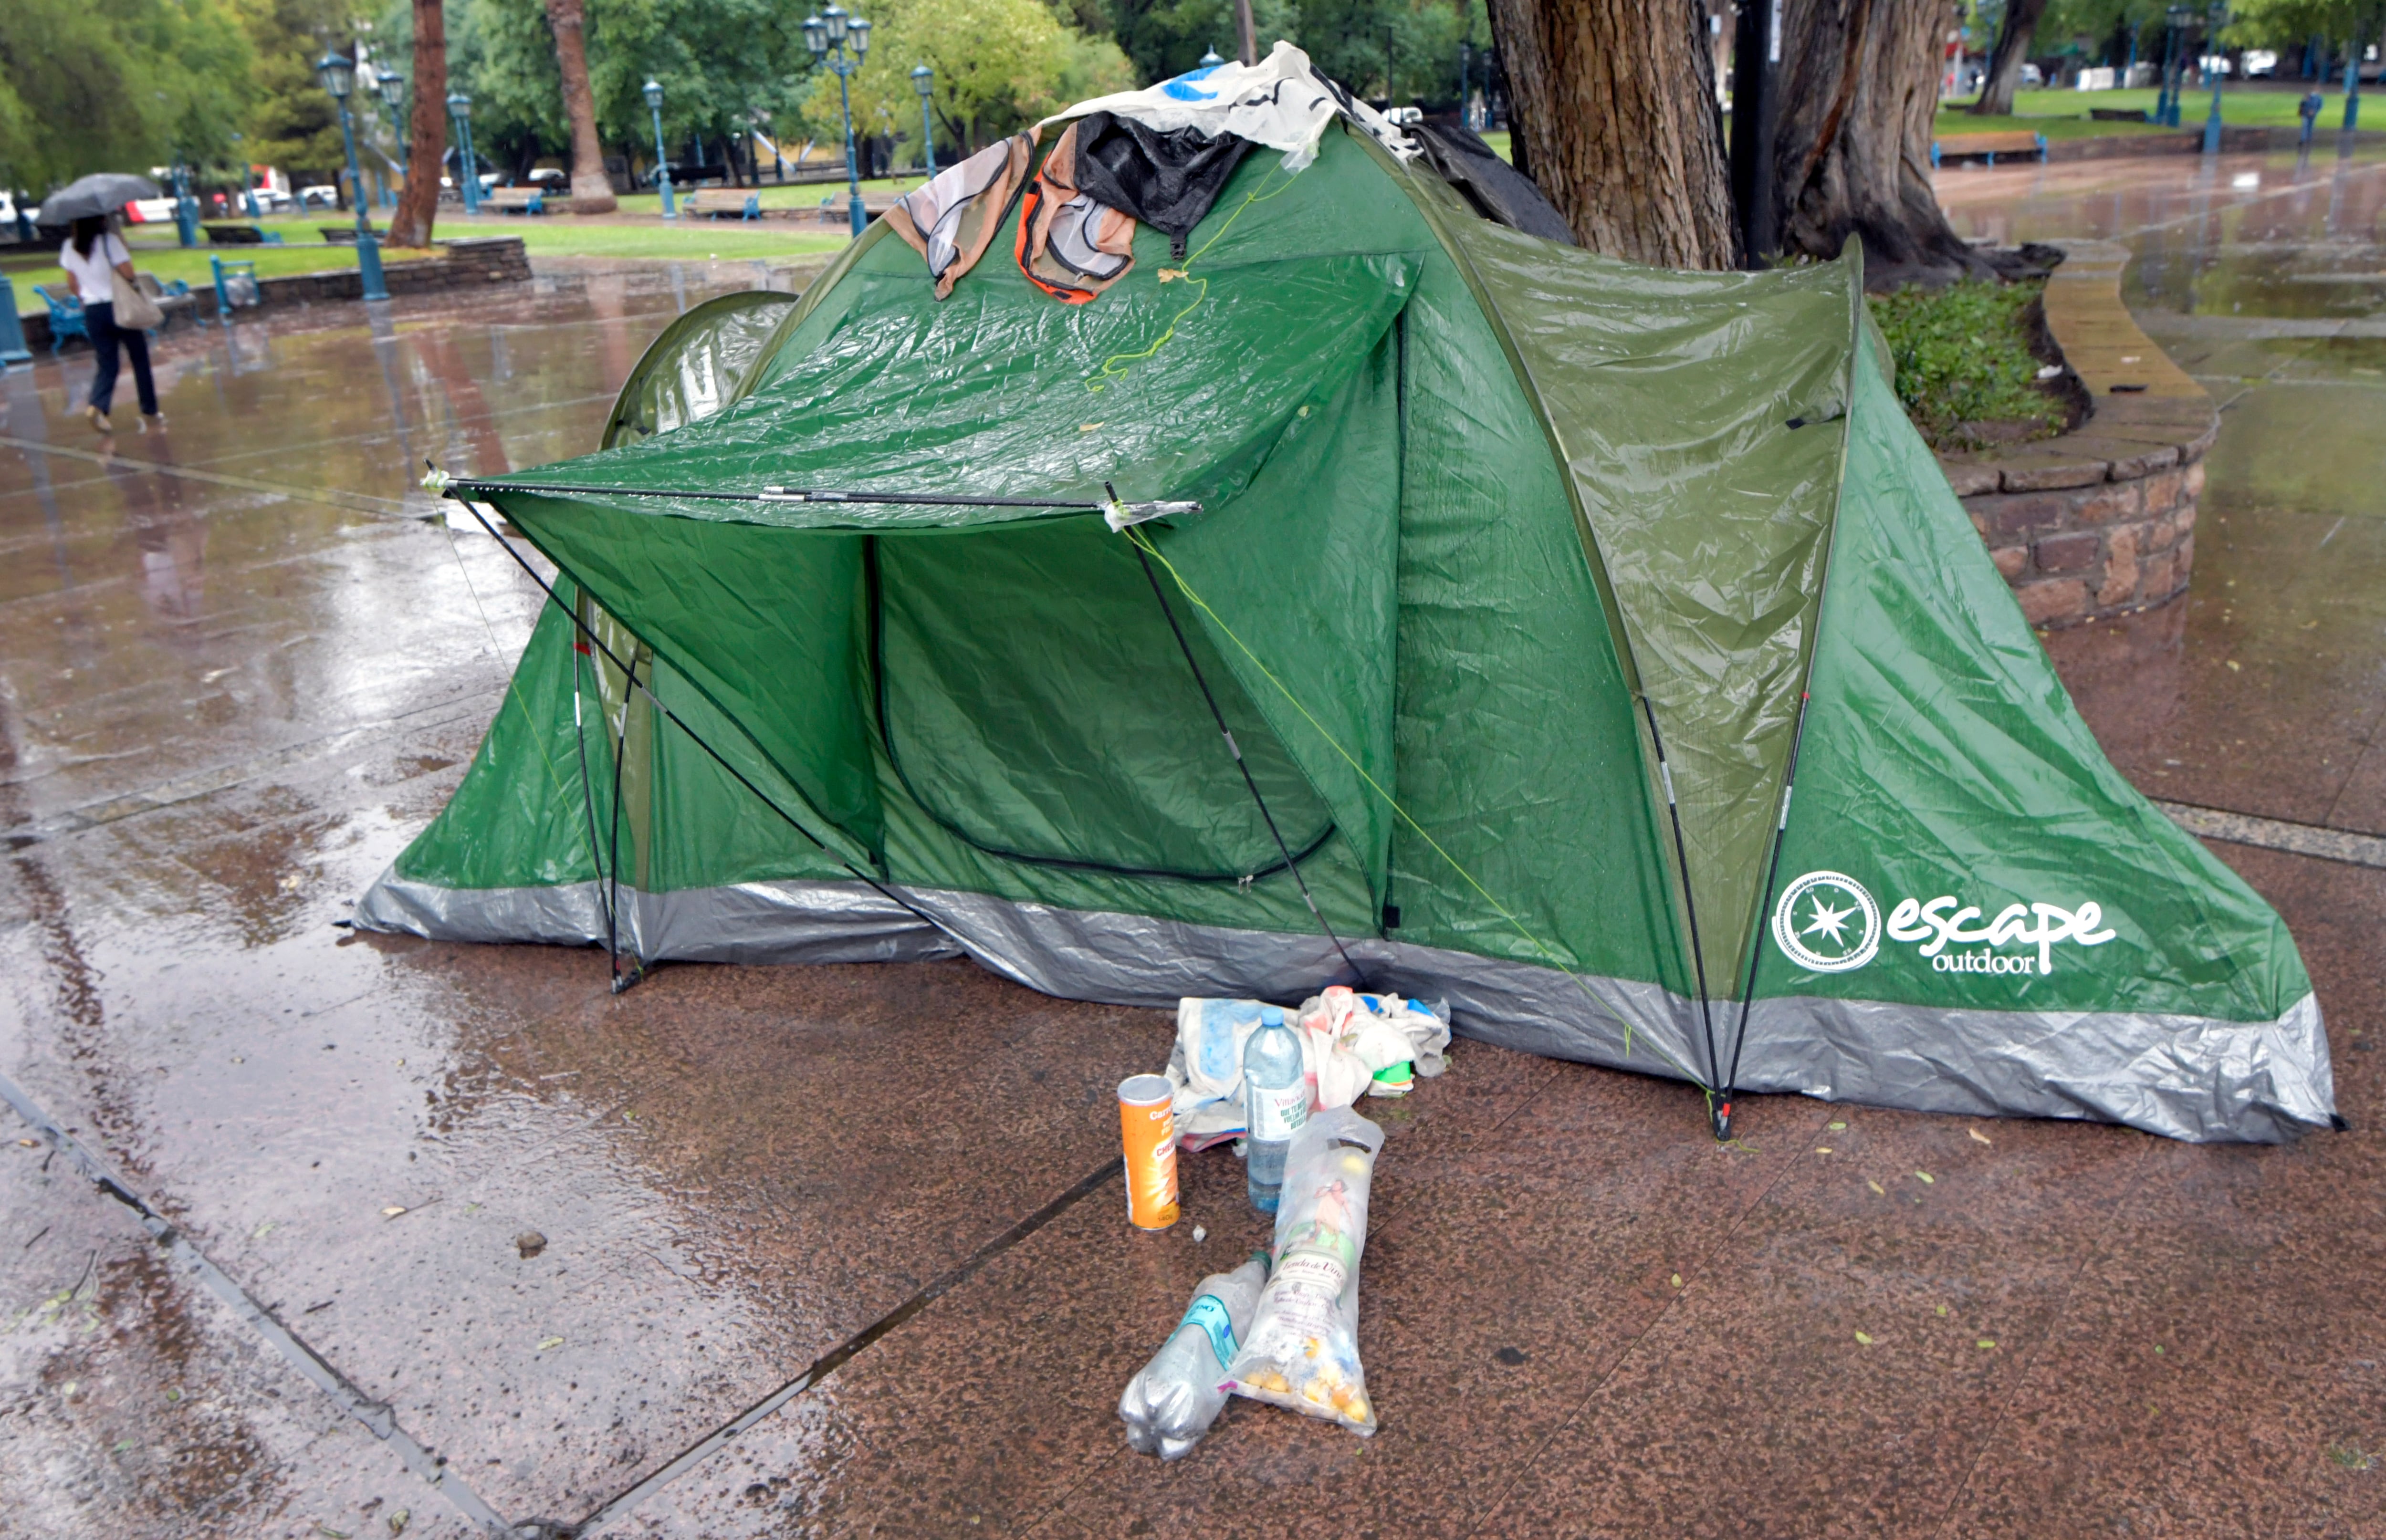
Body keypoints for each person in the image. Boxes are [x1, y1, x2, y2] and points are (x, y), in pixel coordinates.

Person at [59, 213, 161, 435]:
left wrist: (85, 296)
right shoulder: (110, 242)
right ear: (100, 221)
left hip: (94, 311)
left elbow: (72, 282)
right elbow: (129, 273)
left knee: (107, 362)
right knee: (139, 358)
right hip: (120, 307)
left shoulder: (69, 247)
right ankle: (149, 408)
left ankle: (98, 405)